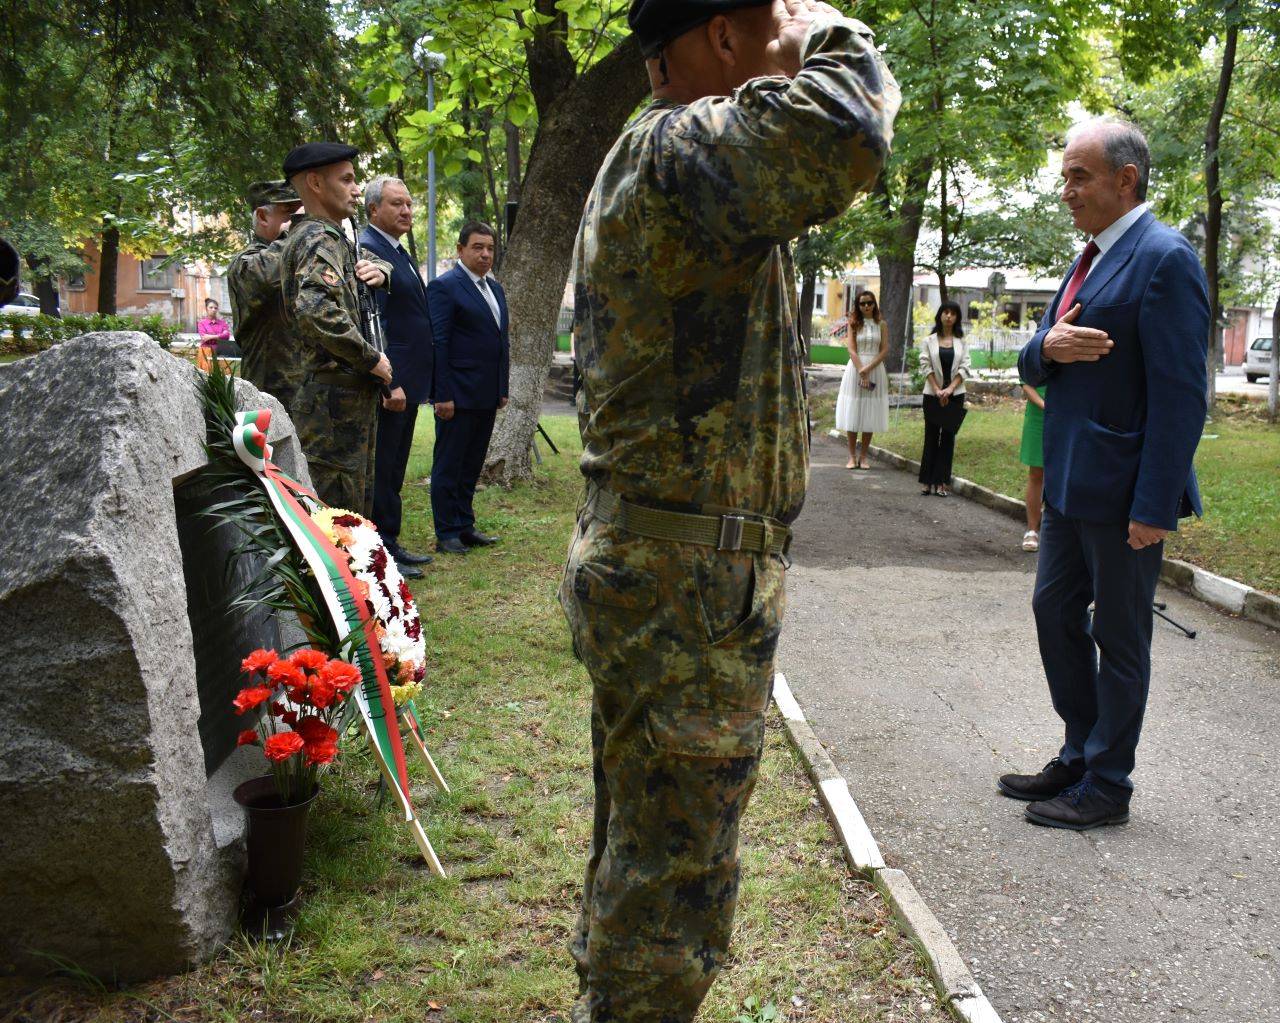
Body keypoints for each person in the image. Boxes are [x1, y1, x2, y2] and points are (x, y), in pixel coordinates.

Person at [560, 0, 899, 1018]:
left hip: (675, 570)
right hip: (681, 583)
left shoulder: (679, 166)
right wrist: (832, 34)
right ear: (718, 40)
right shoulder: (675, 151)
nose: (785, 51)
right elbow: (846, 129)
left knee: (652, 852)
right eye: (771, 30)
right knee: (671, 887)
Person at [1002, 118, 1208, 831]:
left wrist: (1156, 503)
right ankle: (1079, 751)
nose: (1066, 192)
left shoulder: (1165, 257)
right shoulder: (1089, 257)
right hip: (1066, 485)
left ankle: (1108, 782)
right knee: (1052, 613)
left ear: (1126, 180)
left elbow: (1183, 397)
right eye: (1065, 177)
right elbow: (1039, 357)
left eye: (1078, 176)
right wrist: (1047, 345)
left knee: (1120, 638)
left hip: (1125, 498)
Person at [279, 141, 393, 518]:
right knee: (336, 516)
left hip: (341, 401)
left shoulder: (334, 237)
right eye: (346, 180)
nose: (357, 189)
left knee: (351, 512)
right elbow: (316, 311)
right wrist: (370, 358)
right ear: (314, 183)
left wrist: (384, 270)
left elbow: (365, 264)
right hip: (331, 407)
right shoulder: (317, 238)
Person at [360, 176, 435, 577]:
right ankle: (380, 550)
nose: (406, 210)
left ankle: (391, 541)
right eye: (396, 204)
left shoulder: (397, 250)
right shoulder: (369, 249)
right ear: (374, 210)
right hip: (393, 383)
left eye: (408, 204)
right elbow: (377, 322)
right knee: (383, 467)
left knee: (395, 467)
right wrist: (390, 382)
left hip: (410, 380)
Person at [425, 222, 510, 555]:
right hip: (456, 396)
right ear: (460, 250)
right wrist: (442, 394)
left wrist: (501, 386)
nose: (485, 254)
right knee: (449, 464)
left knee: (471, 464)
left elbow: (501, 341)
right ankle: (446, 531)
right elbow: (439, 343)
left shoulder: (495, 289)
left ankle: (465, 525)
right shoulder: (446, 287)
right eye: (477, 247)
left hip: (486, 394)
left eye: (490, 248)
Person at [227, 180, 305, 412]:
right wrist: (297, 230)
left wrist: (381, 268)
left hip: (308, 398)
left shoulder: (306, 258)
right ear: (262, 216)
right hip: (267, 397)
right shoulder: (246, 264)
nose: (302, 222)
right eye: (290, 213)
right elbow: (268, 276)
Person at [917, 300, 970, 496]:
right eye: (945, 312)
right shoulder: (928, 341)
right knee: (931, 436)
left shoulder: (962, 342)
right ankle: (927, 481)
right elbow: (925, 365)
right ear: (940, 315)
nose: (949, 316)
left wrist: (949, 389)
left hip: (955, 394)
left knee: (948, 438)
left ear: (957, 318)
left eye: (953, 313)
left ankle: (942, 481)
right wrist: (938, 389)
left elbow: (965, 367)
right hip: (932, 394)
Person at [834, 290, 889, 469]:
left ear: (874, 304)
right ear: (858, 306)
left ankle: (864, 457)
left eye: (870, 303)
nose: (866, 306)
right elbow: (851, 349)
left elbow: (884, 350)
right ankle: (851, 456)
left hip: (875, 369)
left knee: (869, 411)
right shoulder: (853, 324)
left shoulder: (881, 324)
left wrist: (868, 369)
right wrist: (861, 370)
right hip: (855, 370)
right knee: (854, 409)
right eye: (863, 303)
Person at [1019, 382, 1047, 550]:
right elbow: (1026, 383)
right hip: (1039, 415)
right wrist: (1046, 405)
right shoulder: (1034, 354)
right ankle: (1032, 530)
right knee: (1037, 473)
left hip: (1070, 414)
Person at [196, 298, 231, 371]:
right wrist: (220, 335)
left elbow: (227, 336)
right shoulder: (202, 323)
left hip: (220, 350)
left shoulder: (222, 323)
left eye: (215, 308)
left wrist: (211, 336)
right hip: (206, 350)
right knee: (206, 374)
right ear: (206, 309)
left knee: (223, 374)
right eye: (211, 307)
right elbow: (204, 337)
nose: (213, 310)